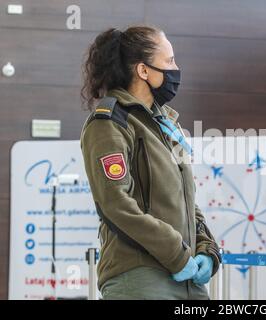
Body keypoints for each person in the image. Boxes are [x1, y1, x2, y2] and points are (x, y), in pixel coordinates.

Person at [79, 26, 221, 300]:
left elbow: (186, 200)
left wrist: (206, 247)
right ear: (143, 71)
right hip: (140, 278)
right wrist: (176, 253)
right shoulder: (110, 122)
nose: (175, 69)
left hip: (186, 278)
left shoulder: (166, 123)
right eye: (169, 62)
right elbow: (116, 205)